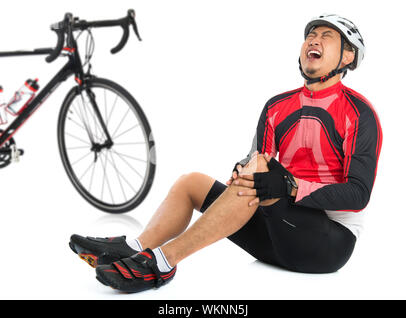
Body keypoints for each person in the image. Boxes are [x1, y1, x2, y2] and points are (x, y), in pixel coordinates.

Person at [69, 14, 382, 293]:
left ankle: (163, 262)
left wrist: (290, 186)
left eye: (326, 36)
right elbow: (257, 162)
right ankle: (136, 247)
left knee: (260, 171)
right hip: (274, 237)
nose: (313, 40)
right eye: (310, 35)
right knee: (191, 182)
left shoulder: (359, 113)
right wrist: (242, 170)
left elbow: (358, 194)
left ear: (348, 55)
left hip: (327, 245)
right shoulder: (276, 106)